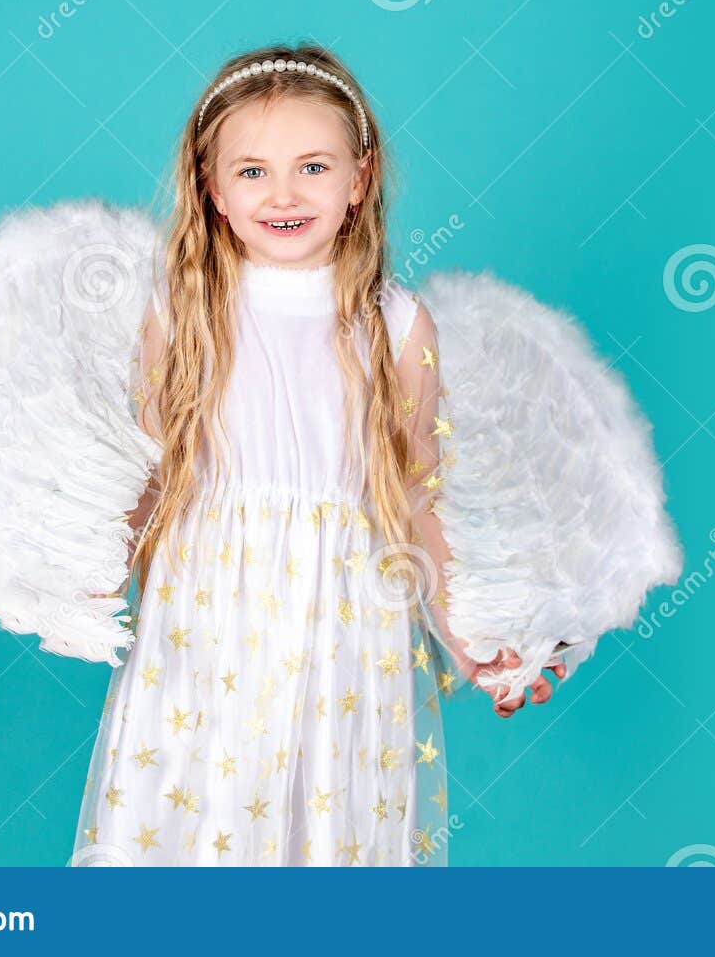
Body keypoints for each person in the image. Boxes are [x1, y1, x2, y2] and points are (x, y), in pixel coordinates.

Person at [69, 43, 564, 867]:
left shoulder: (397, 325)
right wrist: (90, 569)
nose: (286, 193)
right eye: (253, 171)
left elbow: (416, 498)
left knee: (326, 843)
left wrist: (468, 637)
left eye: (313, 166)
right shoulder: (179, 312)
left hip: (347, 630)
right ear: (211, 186)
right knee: (196, 833)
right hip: (205, 625)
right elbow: (150, 469)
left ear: (359, 179)